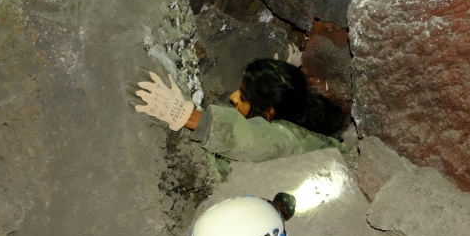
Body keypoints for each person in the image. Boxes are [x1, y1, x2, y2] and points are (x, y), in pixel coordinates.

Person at [133, 47, 346, 162]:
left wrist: (186, 115)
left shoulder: (284, 140)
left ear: (269, 113)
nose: (233, 97)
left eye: (244, 97)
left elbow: (246, 138)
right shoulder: (297, 105)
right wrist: (282, 75)